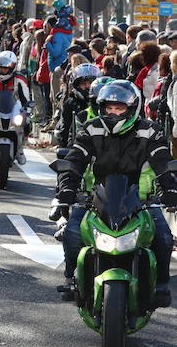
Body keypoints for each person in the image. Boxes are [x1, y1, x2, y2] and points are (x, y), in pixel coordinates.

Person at [55, 80, 173, 308]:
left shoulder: (149, 130)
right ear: (101, 107)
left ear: (132, 108)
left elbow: (162, 161)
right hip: (95, 199)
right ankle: (71, 279)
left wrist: (171, 189)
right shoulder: (91, 128)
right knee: (72, 233)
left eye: (119, 108)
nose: (113, 113)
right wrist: (67, 188)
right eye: (109, 108)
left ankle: (160, 285)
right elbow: (75, 160)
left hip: (140, 200)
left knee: (164, 238)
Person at [55, 63, 101, 148]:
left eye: (90, 83)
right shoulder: (70, 103)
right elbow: (65, 129)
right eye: (83, 84)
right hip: (78, 147)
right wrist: (67, 150)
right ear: (77, 86)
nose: (88, 86)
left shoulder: (103, 103)